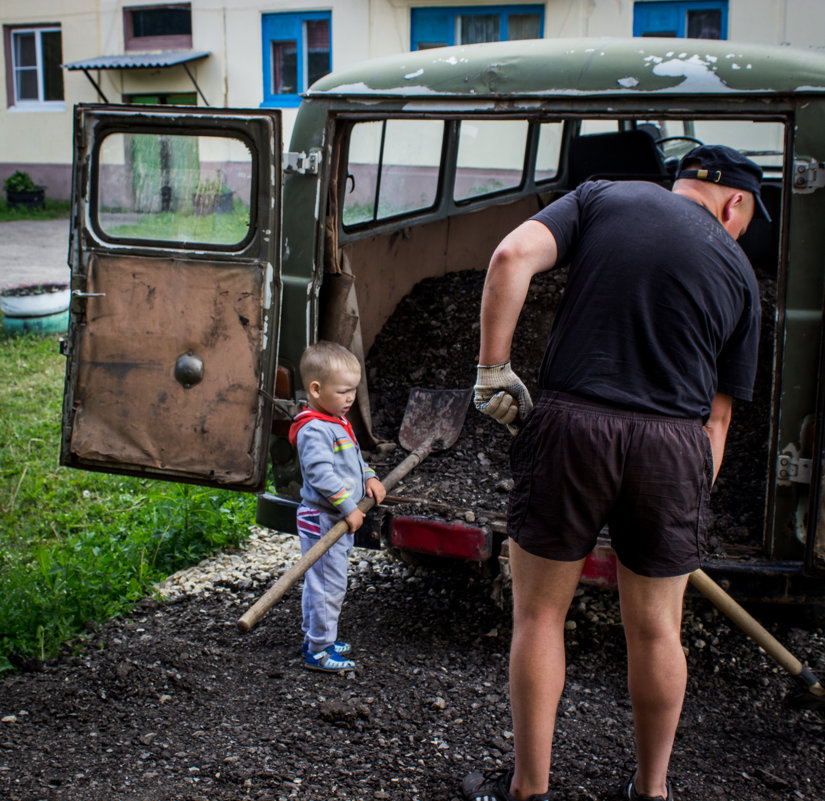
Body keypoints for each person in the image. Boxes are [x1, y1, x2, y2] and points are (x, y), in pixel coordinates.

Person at [462, 145, 768, 801]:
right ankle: (650, 791)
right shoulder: (741, 275)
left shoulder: (603, 196)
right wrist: (683, 508)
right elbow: (717, 423)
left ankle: (527, 788)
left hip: (573, 424)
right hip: (675, 445)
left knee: (540, 616)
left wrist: (492, 369)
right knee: (658, 629)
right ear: (735, 203)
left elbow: (511, 257)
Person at [288, 341, 386, 672]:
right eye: (344, 391)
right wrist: (348, 506)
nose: (350, 399)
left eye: (354, 391)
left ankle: (315, 637)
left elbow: (353, 459)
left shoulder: (335, 421)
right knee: (328, 586)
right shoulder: (314, 429)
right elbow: (321, 475)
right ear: (316, 389)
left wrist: (370, 477)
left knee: (323, 582)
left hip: (335, 517)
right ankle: (319, 650)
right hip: (324, 519)